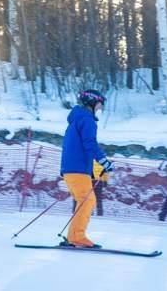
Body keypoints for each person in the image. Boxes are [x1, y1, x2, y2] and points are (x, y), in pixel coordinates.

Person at [60, 89, 113, 248]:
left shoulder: (77, 119)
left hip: (71, 169)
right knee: (87, 201)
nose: (99, 108)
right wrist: (104, 161)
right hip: (77, 169)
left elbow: (82, 146)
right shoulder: (87, 120)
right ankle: (77, 237)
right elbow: (89, 144)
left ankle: (74, 236)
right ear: (91, 102)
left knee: (84, 201)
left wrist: (96, 168)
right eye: (99, 105)